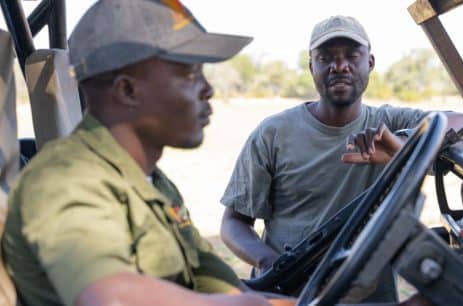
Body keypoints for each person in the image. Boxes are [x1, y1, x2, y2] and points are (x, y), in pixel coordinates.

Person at [1, 1, 294, 306]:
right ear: (127, 90)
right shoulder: (64, 180)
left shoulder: (153, 184)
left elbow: (217, 283)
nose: (208, 90)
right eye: (190, 74)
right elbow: (112, 298)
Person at [220, 15, 463, 303]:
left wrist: (400, 147)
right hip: (289, 293)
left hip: (369, 295)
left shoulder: (390, 123)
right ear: (311, 66)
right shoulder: (273, 133)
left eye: (352, 55)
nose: (339, 66)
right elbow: (234, 222)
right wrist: (270, 263)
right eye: (325, 57)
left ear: (370, 62)